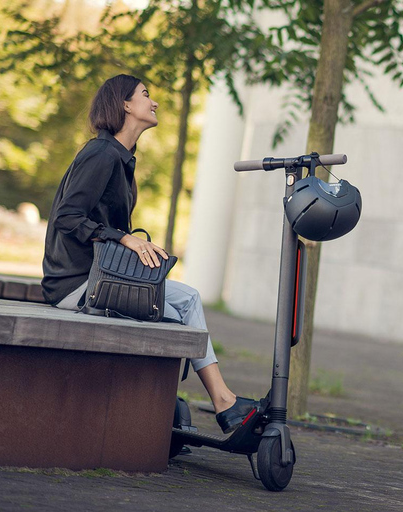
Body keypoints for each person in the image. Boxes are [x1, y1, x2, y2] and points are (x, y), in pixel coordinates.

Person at [41, 74, 256, 434]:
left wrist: (125, 240)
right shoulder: (101, 154)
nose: (153, 102)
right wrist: (125, 239)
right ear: (125, 104)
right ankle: (161, 411)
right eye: (145, 95)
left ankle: (223, 401)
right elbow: (66, 216)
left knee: (188, 299)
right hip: (75, 284)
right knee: (171, 317)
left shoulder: (120, 158)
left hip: (100, 278)